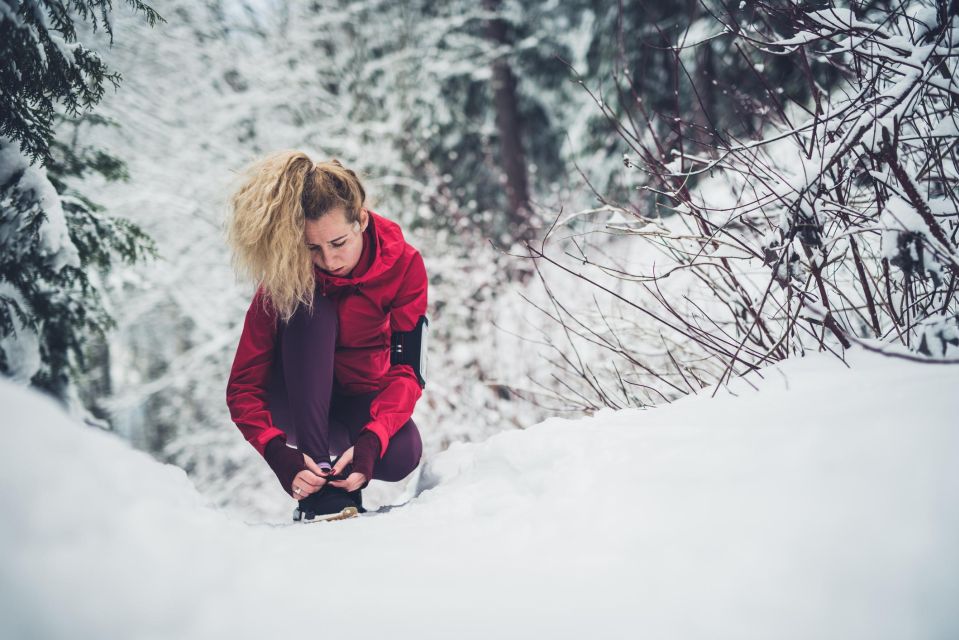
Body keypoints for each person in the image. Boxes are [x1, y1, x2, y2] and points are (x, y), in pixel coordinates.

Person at [225, 150, 427, 522]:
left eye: (338, 244)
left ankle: (342, 484)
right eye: (312, 248)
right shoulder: (286, 273)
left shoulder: (404, 265)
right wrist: (277, 454)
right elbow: (243, 386)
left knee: (403, 452)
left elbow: (409, 369)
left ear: (361, 221)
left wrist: (372, 438)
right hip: (292, 400)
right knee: (310, 304)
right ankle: (317, 488)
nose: (329, 261)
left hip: (357, 397)